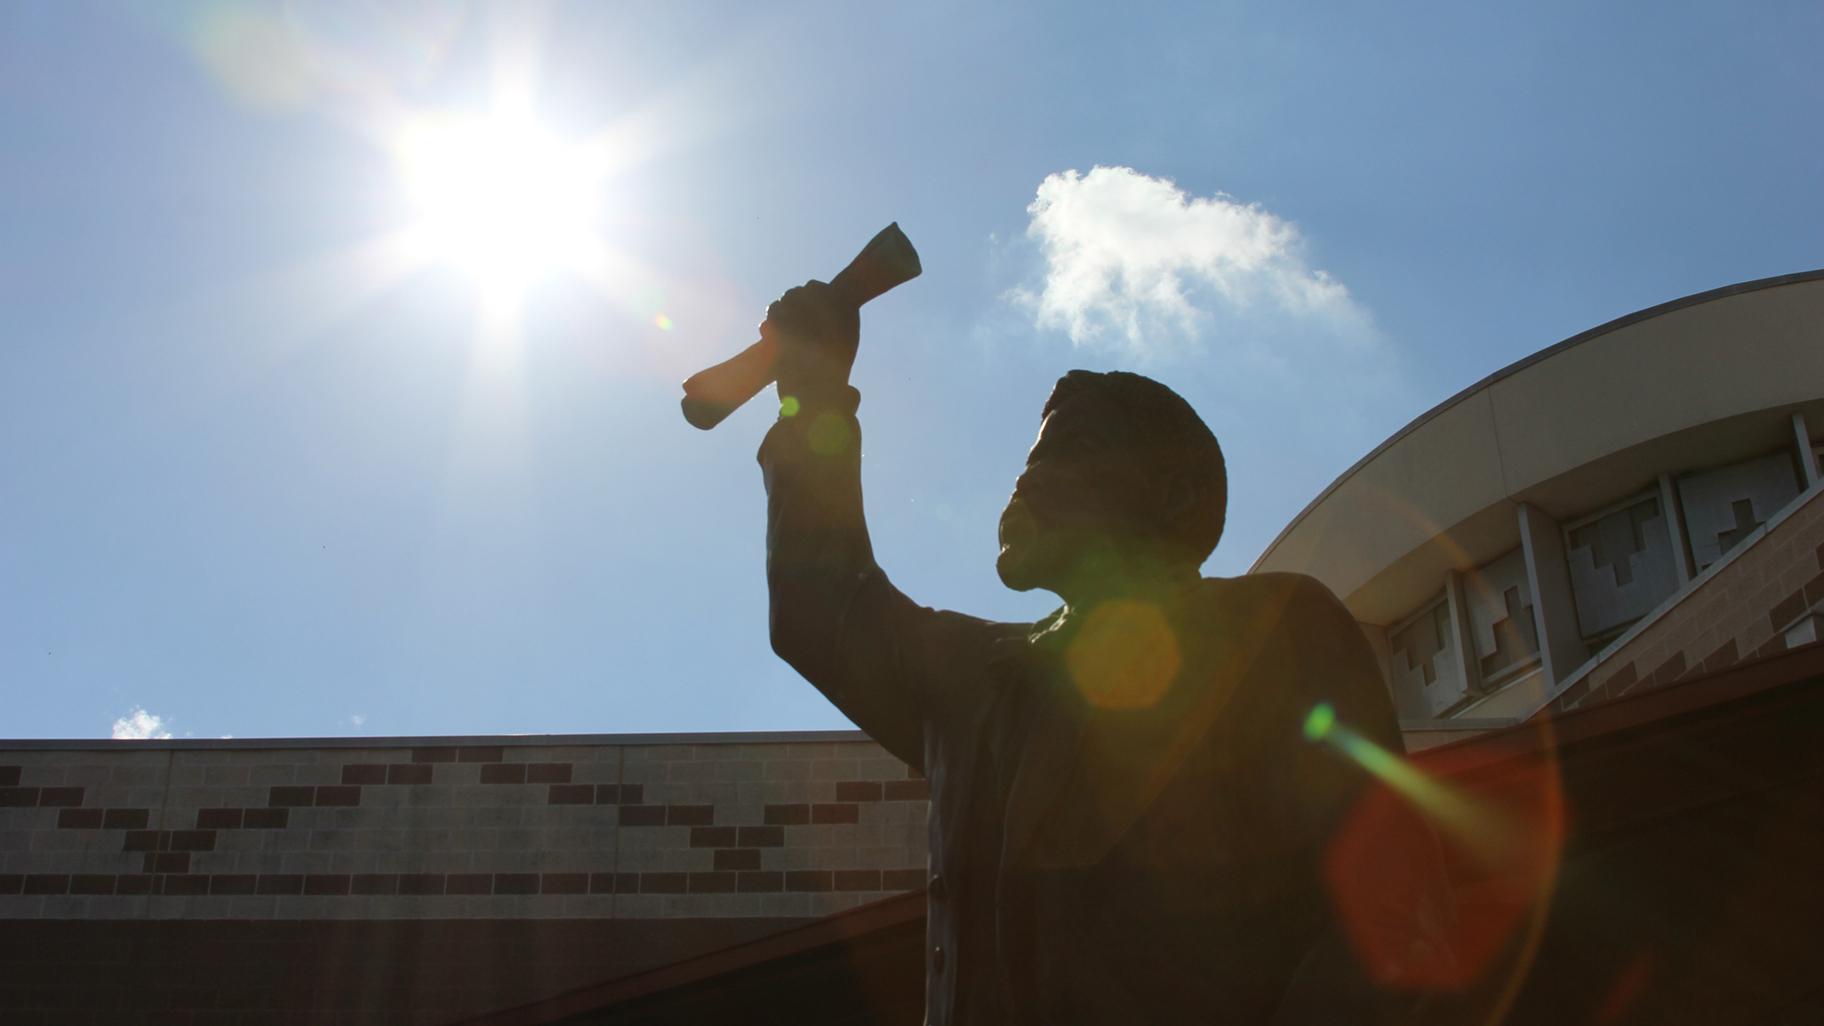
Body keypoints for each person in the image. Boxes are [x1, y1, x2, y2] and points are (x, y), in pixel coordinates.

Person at [757, 281, 1451, 1025]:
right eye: (1028, 457)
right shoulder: (974, 678)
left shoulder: (1271, 633)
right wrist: (814, 398)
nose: (1027, 477)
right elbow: (824, 605)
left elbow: (1390, 914)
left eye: (1072, 450)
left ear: (1175, 494)